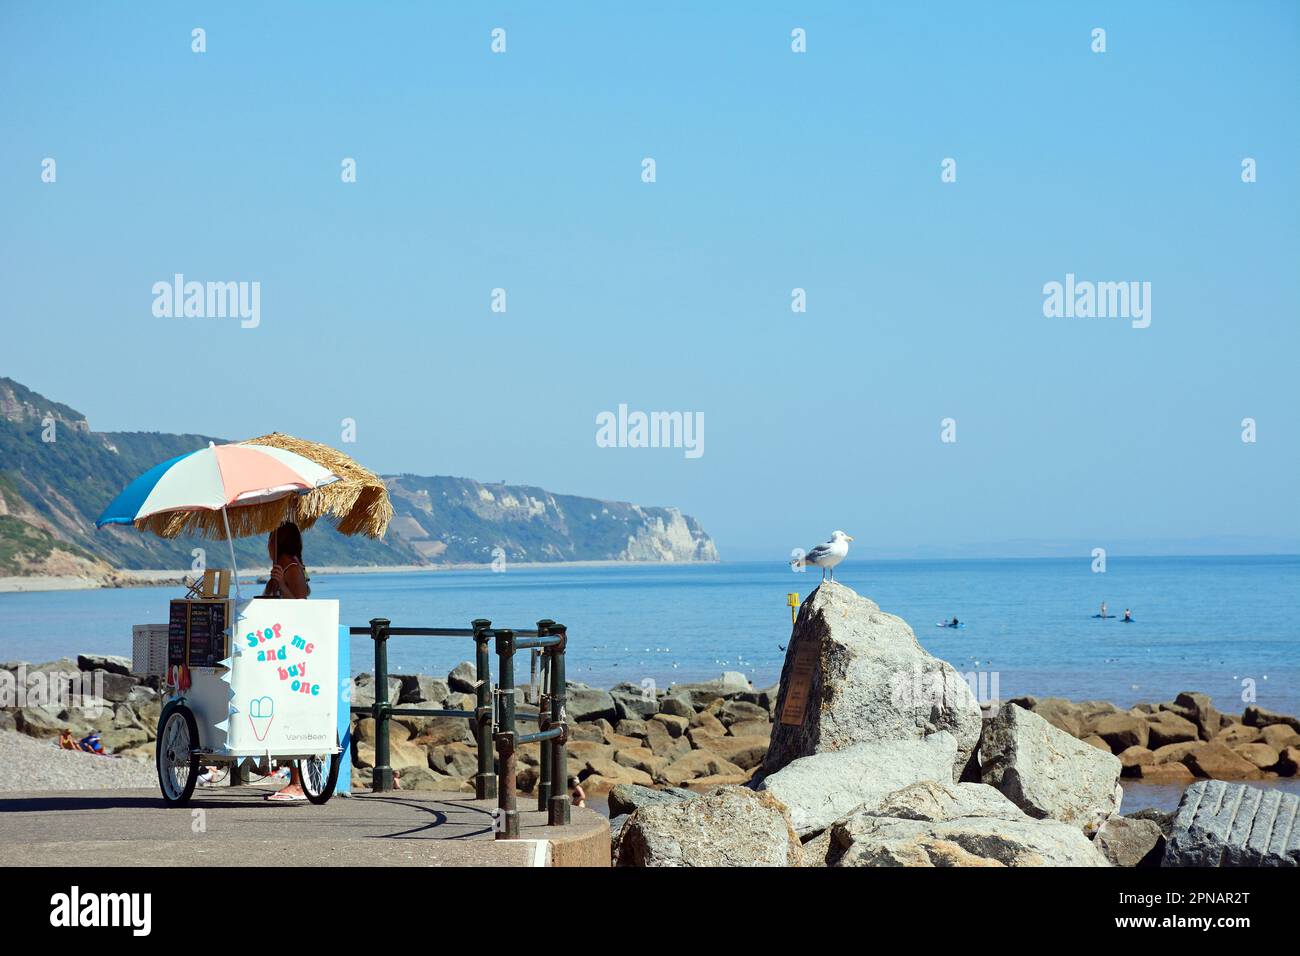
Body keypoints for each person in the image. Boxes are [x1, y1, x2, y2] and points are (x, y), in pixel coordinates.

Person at [264, 522, 311, 801]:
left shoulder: (290, 568)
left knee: (287, 711)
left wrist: (280, 583)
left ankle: (296, 781)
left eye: (271, 539)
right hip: (282, 646)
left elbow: (301, 605)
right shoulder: (286, 566)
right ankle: (290, 775)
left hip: (289, 649)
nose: (267, 545)